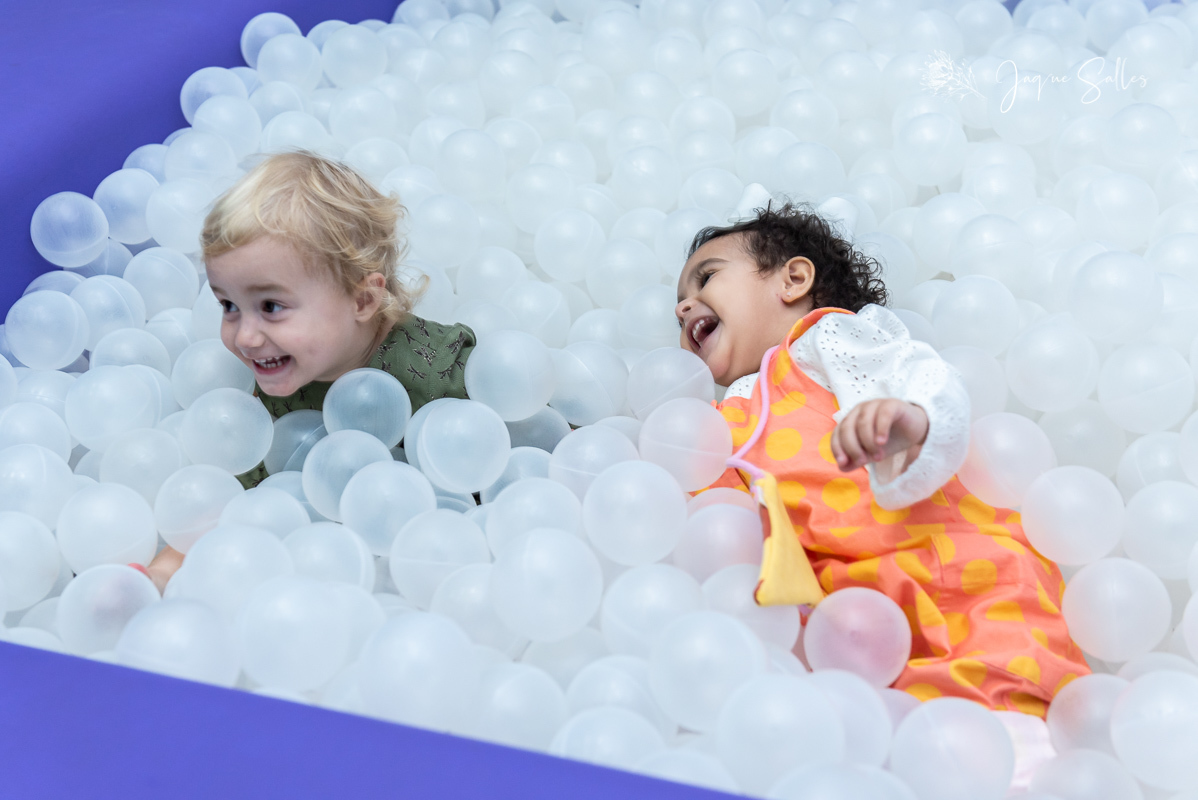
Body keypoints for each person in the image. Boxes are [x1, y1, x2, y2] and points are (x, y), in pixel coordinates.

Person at [675, 198, 1090, 730]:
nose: (686, 308)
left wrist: (911, 419)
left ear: (793, 279)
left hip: (939, 552)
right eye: (679, 306)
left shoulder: (827, 339)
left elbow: (922, 377)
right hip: (849, 602)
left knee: (1002, 683)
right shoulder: (720, 416)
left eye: (705, 279)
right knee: (909, 728)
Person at [138, 151, 475, 591]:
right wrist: (160, 575)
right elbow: (232, 503)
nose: (245, 338)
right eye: (229, 306)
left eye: (271, 307)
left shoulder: (438, 371)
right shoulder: (272, 395)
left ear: (361, 301)